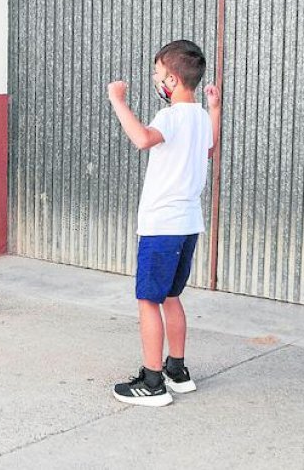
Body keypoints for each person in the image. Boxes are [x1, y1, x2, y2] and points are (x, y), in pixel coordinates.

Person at [106, 39, 221, 407]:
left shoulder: (169, 117)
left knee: (148, 300)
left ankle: (153, 382)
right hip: (188, 224)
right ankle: (177, 370)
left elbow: (141, 139)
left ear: (171, 79)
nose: (155, 80)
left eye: (157, 74)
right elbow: (210, 147)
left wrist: (118, 101)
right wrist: (216, 108)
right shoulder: (201, 116)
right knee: (171, 296)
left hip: (161, 226)